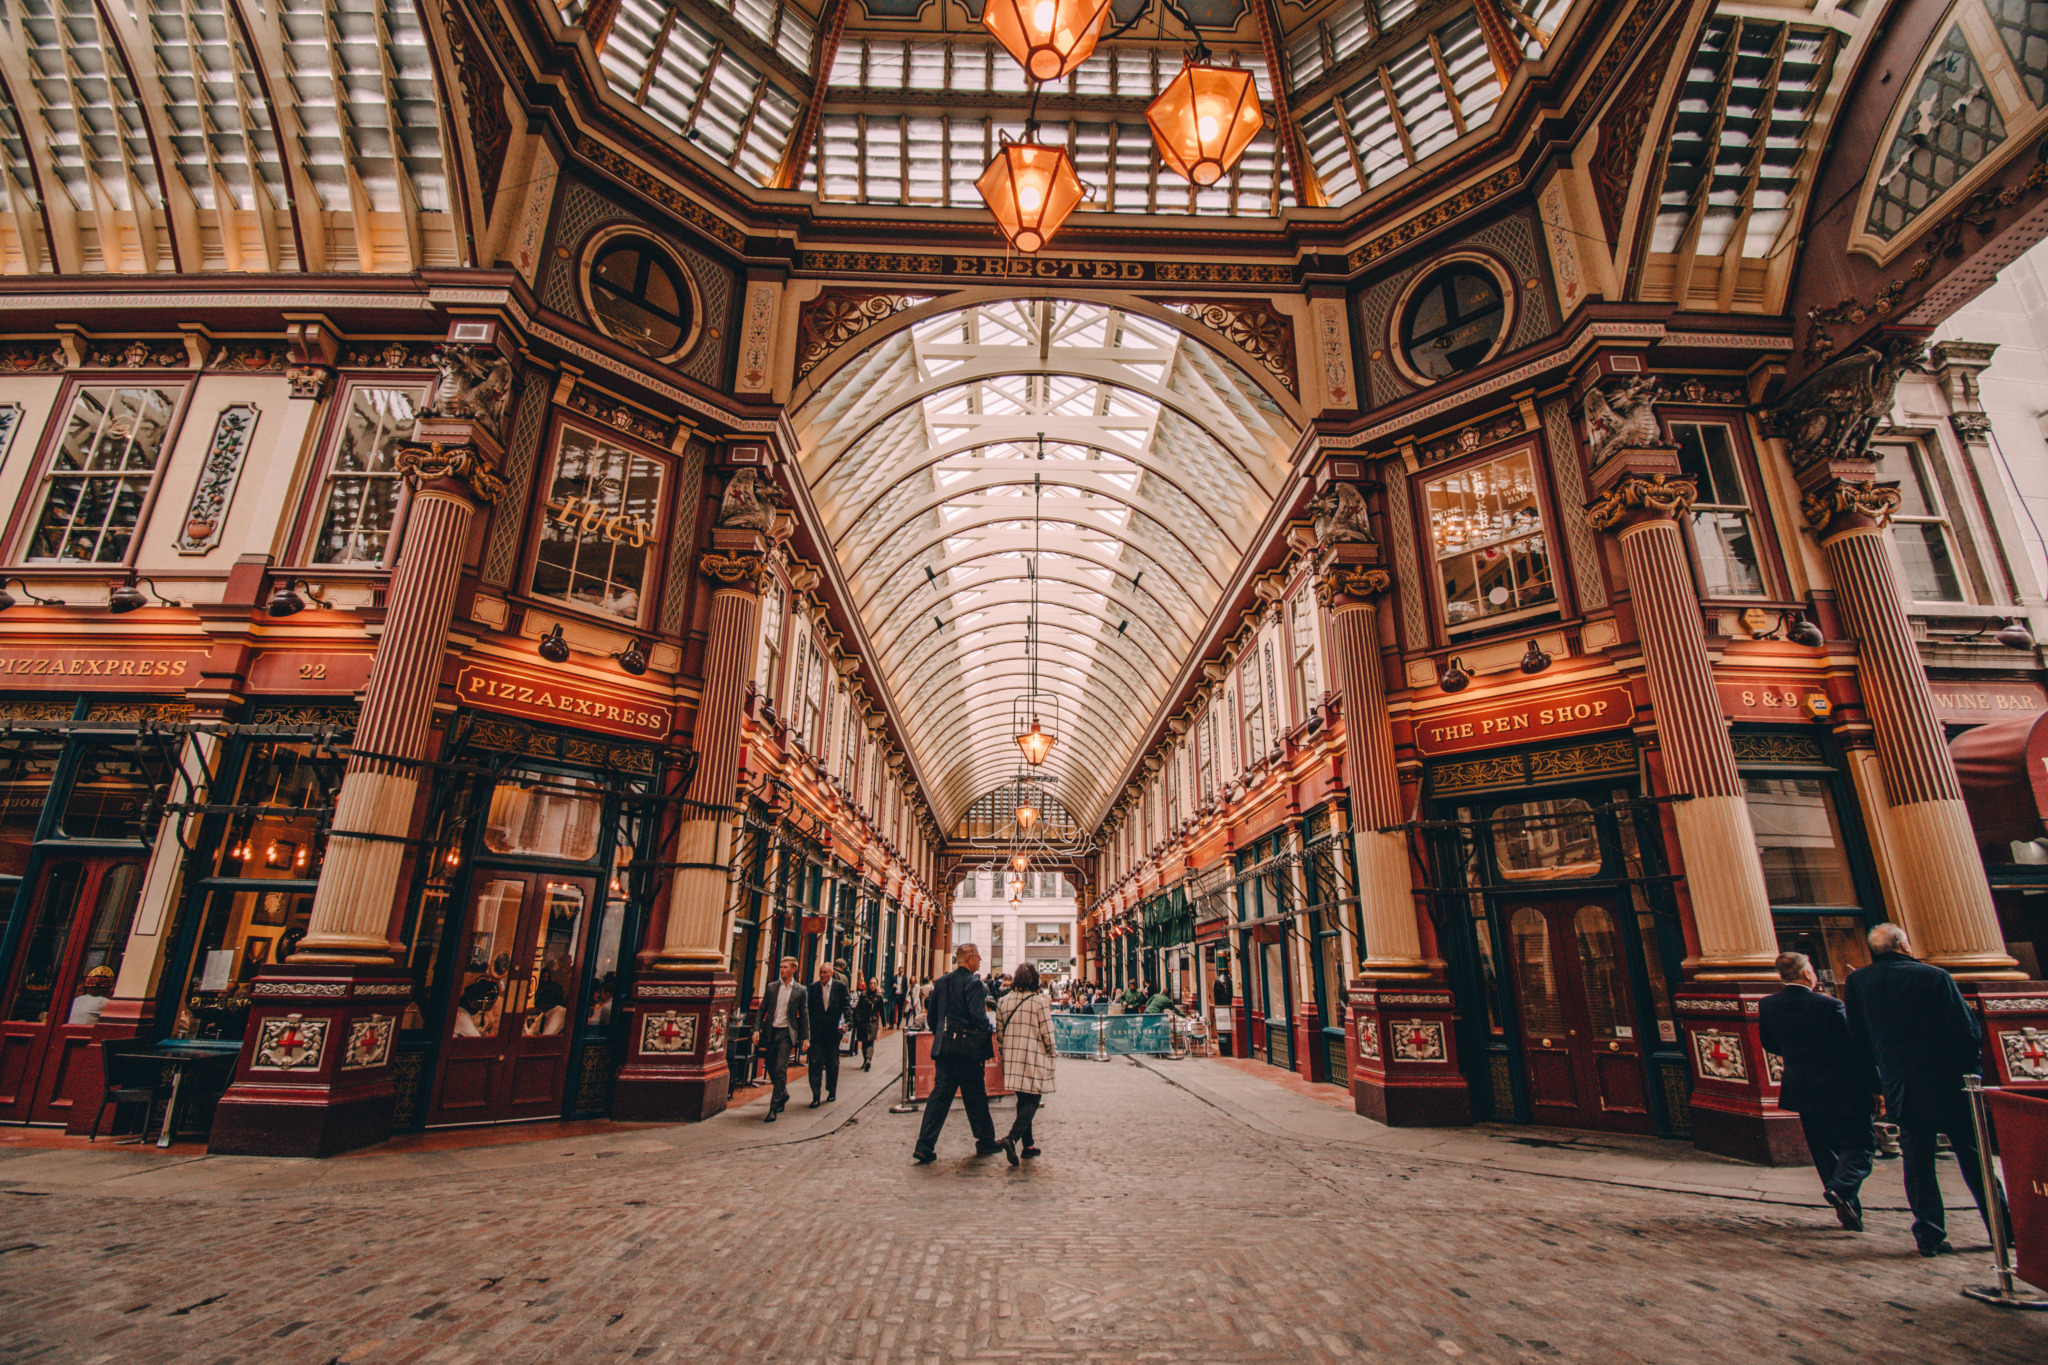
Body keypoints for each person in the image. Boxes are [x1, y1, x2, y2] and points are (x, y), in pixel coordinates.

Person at [1844, 923, 2009, 1257]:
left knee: (1917, 1164)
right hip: (1950, 1084)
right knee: (1976, 1159)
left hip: (1901, 1085)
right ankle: (2003, 1229)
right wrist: (1970, 1075)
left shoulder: (1859, 981)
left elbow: (1858, 1037)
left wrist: (1879, 1082)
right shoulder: (1934, 977)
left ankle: (1929, 1234)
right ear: (1904, 945)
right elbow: (1967, 1032)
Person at [1758, 951, 1880, 1231]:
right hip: (1843, 1087)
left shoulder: (1768, 1005)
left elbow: (1770, 1044)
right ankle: (1841, 1187)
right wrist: (1876, 1087)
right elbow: (1856, 1050)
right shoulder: (1830, 1006)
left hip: (1801, 1087)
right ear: (1807, 974)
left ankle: (1847, 1208)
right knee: (1861, 1146)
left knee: (1823, 1150)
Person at [913, 943, 1002, 1164]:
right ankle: (985, 1140)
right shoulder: (973, 983)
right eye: (978, 957)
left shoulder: (941, 982)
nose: (980, 961)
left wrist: (941, 1036)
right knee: (975, 1095)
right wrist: (987, 1030)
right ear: (970, 958)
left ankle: (924, 1145)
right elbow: (977, 1016)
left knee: (940, 1097)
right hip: (967, 1050)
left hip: (945, 1049)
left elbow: (931, 1016)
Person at [996, 962, 1056, 1164]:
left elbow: (1000, 1034)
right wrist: (1051, 1052)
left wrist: (1005, 1052)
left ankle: (1028, 1145)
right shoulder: (1039, 1002)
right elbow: (1047, 1033)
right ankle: (1011, 1139)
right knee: (1033, 1100)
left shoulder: (1002, 1002)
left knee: (1023, 1100)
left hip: (1012, 1058)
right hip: (1032, 1057)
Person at [756, 956, 808, 1122]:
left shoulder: (800, 990)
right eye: (781, 967)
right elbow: (762, 1009)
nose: (782, 970)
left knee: (780, 1068)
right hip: (771, 1032)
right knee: (771, 1066)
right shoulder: (772, 987)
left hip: (787, 1033)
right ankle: (783, 1093)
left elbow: (804, 1014)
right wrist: (756, 1029)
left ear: (794, 969)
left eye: (785, 967)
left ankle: (773, 1108)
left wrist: (806, 1037)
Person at [807, 961, 849, 1107]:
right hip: (817, 1033)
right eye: (820, 972)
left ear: (831, 973)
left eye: (825, 972)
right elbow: (809, 1011)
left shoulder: (840, 987)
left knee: (832, 1063)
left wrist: (847, 1023)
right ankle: (815, 1095)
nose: (822, 975)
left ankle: (831, 1090)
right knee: (815, 1063)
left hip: (832, 1033)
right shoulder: (813, 988)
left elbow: (846, 1007)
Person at [850, 974, 883, 1070]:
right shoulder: (863, 995)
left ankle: (868, 1059)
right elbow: (858, 1007)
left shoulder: (879, 997)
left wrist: (884, 1024)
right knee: (864, 1041)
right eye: (871, 983)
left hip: (873, 1021)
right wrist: (856, 1018)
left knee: (870, 1040)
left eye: (874, 983)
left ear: (877, 985)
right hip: (863, 1021)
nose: (872, 985)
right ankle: (865, 1060)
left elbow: (881, 1011)